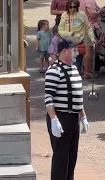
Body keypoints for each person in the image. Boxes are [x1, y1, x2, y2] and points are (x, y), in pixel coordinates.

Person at [44, 39, 89, 180]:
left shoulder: (74, 69)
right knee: (61, 158)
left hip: (73, 118)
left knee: (72, 157)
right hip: (61, 117)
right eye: (74, 49)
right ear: (64, 51)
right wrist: (54, 120)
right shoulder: (54, 70)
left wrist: (83, 117)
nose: (77, 52)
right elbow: (48, 98)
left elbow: (77, 96)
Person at [58, 0, 96, 66]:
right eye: (70, 7)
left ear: (77, 7)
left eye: (74, 7)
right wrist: (70, 34)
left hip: (79, 43)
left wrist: (92, 38)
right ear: (67, 7)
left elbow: (88, 27)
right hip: (68, 42)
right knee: (66, 64)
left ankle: (83, 72)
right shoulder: (64, 15)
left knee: (76, 66)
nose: (72, 9)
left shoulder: (82, 14)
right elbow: (60, 30)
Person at [79, 0, 105, 78]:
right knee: (90, 51)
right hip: (90, 28)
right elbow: (92, 15)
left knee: (90, 51)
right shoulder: (89, 1)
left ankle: (88, 71)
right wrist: (100, 11)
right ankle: (87, 72)